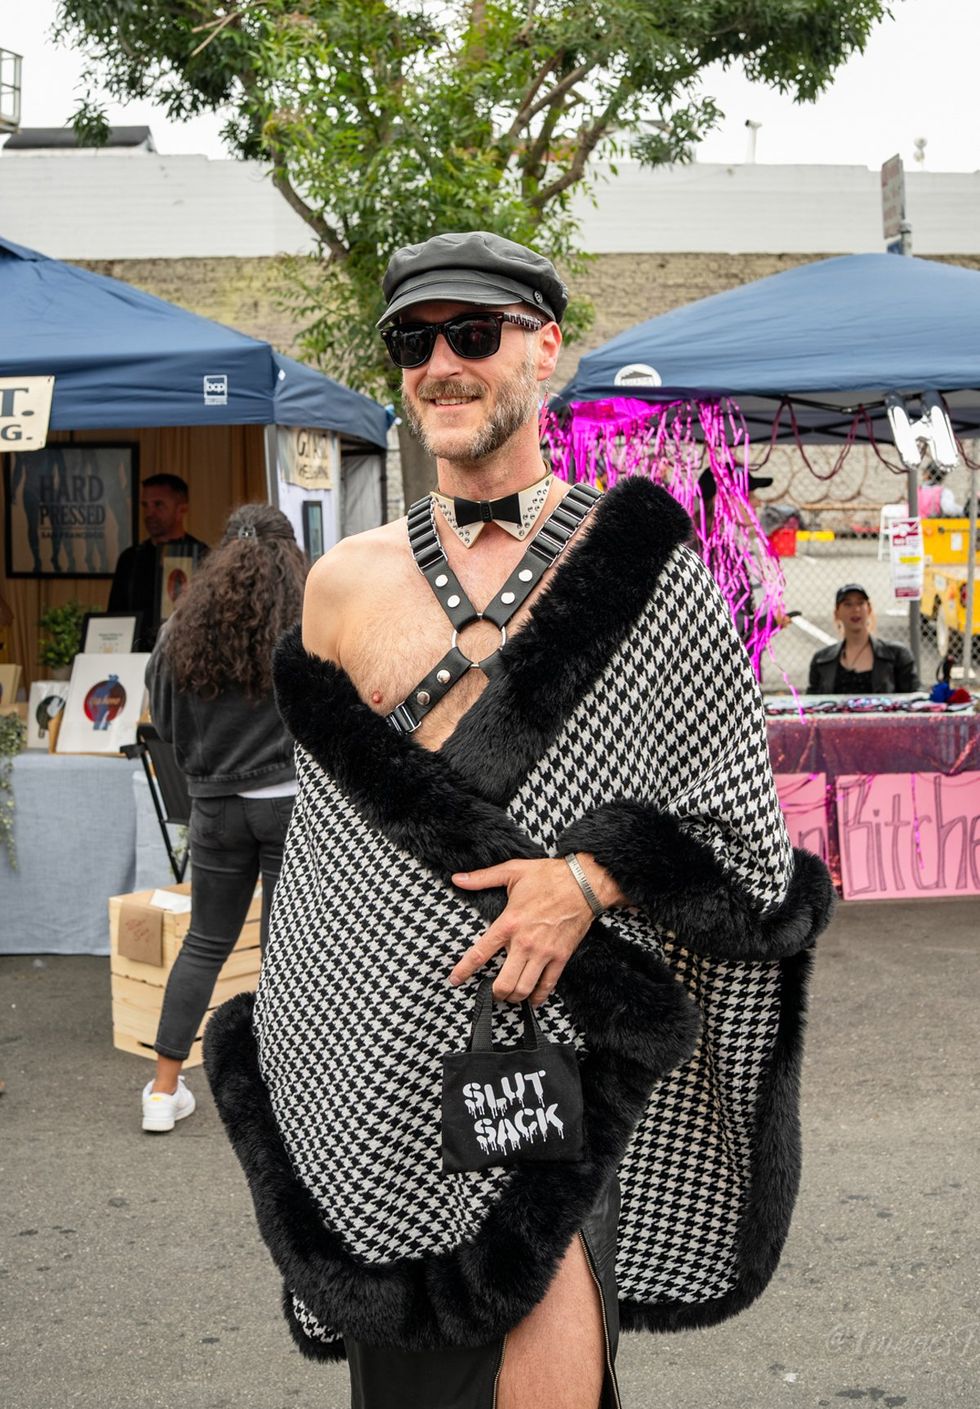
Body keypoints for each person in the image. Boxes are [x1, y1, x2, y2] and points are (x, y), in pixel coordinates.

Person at [204, 232, 834, 1409]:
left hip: (542, 1082)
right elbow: (336, 871)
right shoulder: (340, 583)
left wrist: (587, 881)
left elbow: (748, 841)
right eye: (414, 339)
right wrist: (303, 1060)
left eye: (473, 332)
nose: (442, 361)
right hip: (377, 1092)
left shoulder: (648, 568)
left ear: (545, 346)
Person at [141, 504, 307, 1133]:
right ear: (290, 557)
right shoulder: (306, 623)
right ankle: (285, 1096)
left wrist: (204, 772)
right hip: (289, 803)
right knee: (286, 950)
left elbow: (160, 714)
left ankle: (162, 1091)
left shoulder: (181, 628)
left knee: (205, 942)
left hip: (212, 806)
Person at [108, 473, 209, 649]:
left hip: (186, 658)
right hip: (136, 662)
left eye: (158, 505)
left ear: (181, 509)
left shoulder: (202, 555)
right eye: (145, 505)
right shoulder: (130, 559)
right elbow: (115, 618)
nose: (149, 513)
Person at [808, 583, 919, 693]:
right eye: (848, 604)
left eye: (860, 603)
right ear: (837, 613)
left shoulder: (897, 655)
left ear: (869, 609)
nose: (855, 609)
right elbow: (810, 704)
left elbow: (916, 697)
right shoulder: (821, 661)